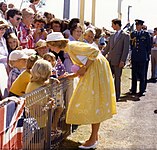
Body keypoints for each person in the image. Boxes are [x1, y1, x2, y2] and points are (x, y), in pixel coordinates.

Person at [46, 32, 116, 149]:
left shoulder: (72, 46)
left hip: (96, 71)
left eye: (51, 46)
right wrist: (71, 75)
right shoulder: (69, 48)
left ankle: (93, 139)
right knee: (94, 103)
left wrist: (84, 68)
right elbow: (84, 63)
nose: (51, 49)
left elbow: (95, 52)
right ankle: (94, 137)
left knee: (93, 102)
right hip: (94, 70)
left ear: (56, 43)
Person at [102, 18, 130, 101]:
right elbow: (107, 49)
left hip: (118, 62)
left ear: (116, 24)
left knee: (117, 79)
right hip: (109, 60)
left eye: (112, 24)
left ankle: (116, 96)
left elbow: (126, 50)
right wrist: (99, 55)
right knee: (108, 79)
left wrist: (123, 61)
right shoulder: (112, 36)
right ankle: (109, 95)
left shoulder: (125, 35)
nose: (111, 26)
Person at [130, 19, 151, 96]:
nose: (137, 26)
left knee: (142, 74)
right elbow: (132, 45)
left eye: (138, 25)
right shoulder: (133, 33)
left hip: (142, 57)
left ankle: (142, 90)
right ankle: (133, 90)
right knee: (134, 74)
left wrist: (147, 55)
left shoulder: (145, 34)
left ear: (141, 26)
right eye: (136, 25)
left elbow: (149, 45)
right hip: (135, 56)